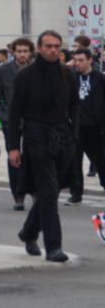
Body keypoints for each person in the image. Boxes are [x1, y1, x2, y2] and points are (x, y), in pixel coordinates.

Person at [8, 30, 78, 263]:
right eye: (48, 46)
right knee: (48, 191)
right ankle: (54, 246)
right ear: (38, 48)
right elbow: (14, 113)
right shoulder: (25, 76)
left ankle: (28, 233)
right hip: (36, 137)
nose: (53, 50)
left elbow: (75, 108)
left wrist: (74, 138)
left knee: (53, 191)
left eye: (57, 46)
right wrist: (13, 147)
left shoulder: (67, 74)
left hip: (63, 137)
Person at [0, 37, 33, 210]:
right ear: (13, 52)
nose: (22, 54)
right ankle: (18, 195)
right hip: (11, 123)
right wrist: (4, 117)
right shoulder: (4, 71)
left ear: (30, 52)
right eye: (19, 51)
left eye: (25, 51)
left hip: (33, 122)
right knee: (14, 158)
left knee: (34, 158)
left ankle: (35, 190)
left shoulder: (37, 70)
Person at [66, 48, 105, 205]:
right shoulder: (72, 77)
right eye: (75, 60)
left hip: (96, 126)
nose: (77, 63)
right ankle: (76, 193)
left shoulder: (99, 78)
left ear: (90, 60)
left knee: (100, 160)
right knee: (75, 161)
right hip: (77, 127)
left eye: (81, 60)